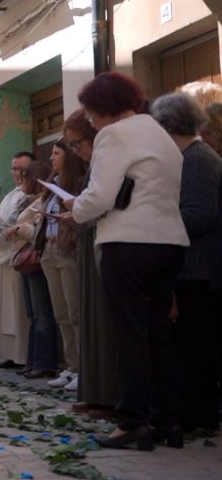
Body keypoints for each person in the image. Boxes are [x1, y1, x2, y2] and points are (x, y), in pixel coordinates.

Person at [66, 73, 188, 450]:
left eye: (90, 114)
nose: (89, 121)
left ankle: (133, 421)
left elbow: (100, 195)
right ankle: (167, 420)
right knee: (158, 334)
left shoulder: (114, 135)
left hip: (128, 243)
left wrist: (75, 207)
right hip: (169, 243)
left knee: (130, 334)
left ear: (104, 109)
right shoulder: (158, 134)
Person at [150, 92, 222, 433]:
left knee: (196, 348)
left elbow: (198, 217)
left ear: (169, 126)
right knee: (191, 346)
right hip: (192, 269)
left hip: (200, 271)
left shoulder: (197, 159)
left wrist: (154, 215)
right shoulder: (188, 158)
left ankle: (200, 416)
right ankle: (194, 412)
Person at [61, 110, 115, 420]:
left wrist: (78, 207)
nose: (75, 149)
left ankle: (106, 393)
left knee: (100, 320)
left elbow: (106, 202)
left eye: (77, 143)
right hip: (90, 239)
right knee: (89, 317)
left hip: (105, 241)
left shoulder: (108, 160)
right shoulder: (93, 165)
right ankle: (95, 390)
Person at [3, 162, 58, 381]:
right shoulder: (27, 202)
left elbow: (36, 231)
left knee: (42, 314)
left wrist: (19, 228)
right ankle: (33, 360)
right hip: (25, 261)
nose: (20, 180)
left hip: (35, 261)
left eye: (24, 176)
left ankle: (44, 363)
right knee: (33, 314)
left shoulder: (40, 202)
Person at [39, 143, 85, 393]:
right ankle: (71, 366)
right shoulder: (51, 184)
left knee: (75, 311)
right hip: (49, 250)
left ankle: (83, 368)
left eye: (57, 153)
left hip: (68, 251)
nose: (51, 157)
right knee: (61, 313)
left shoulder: (78, 183)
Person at [0, 151, 34, 371]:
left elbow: (21, 227)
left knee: (21, 310)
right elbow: (5, 225)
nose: (17, 173)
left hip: (20, 257)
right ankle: (10, 353)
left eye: (21, 169)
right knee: (6, 310)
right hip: (6, 258)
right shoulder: (10, 195)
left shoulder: (31, 196)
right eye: (14, 169)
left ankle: (24, 355)